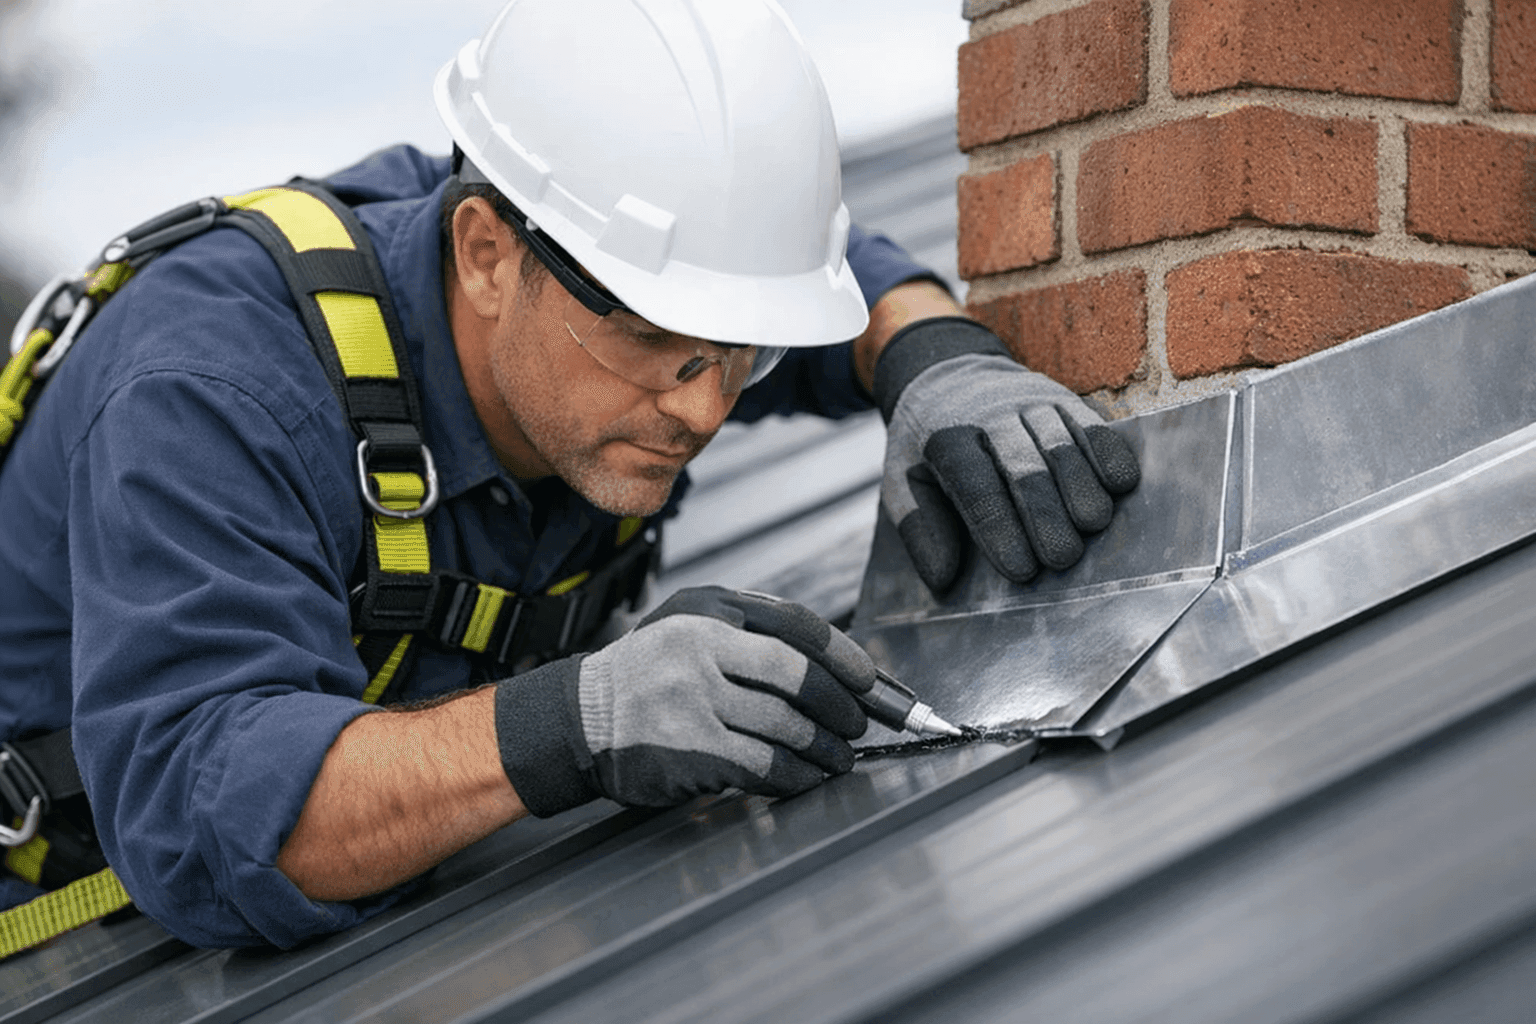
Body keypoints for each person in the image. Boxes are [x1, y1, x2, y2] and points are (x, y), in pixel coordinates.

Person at [0, 0, 1137, 950]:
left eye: (741, 351)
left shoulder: (588, 270)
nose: (704, 404)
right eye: (656, 340)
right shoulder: (214, 394)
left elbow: (827, 279)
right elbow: (203, 816)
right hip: (72, 932)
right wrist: (575, 720)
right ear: (487, 256)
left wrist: (933, 354)